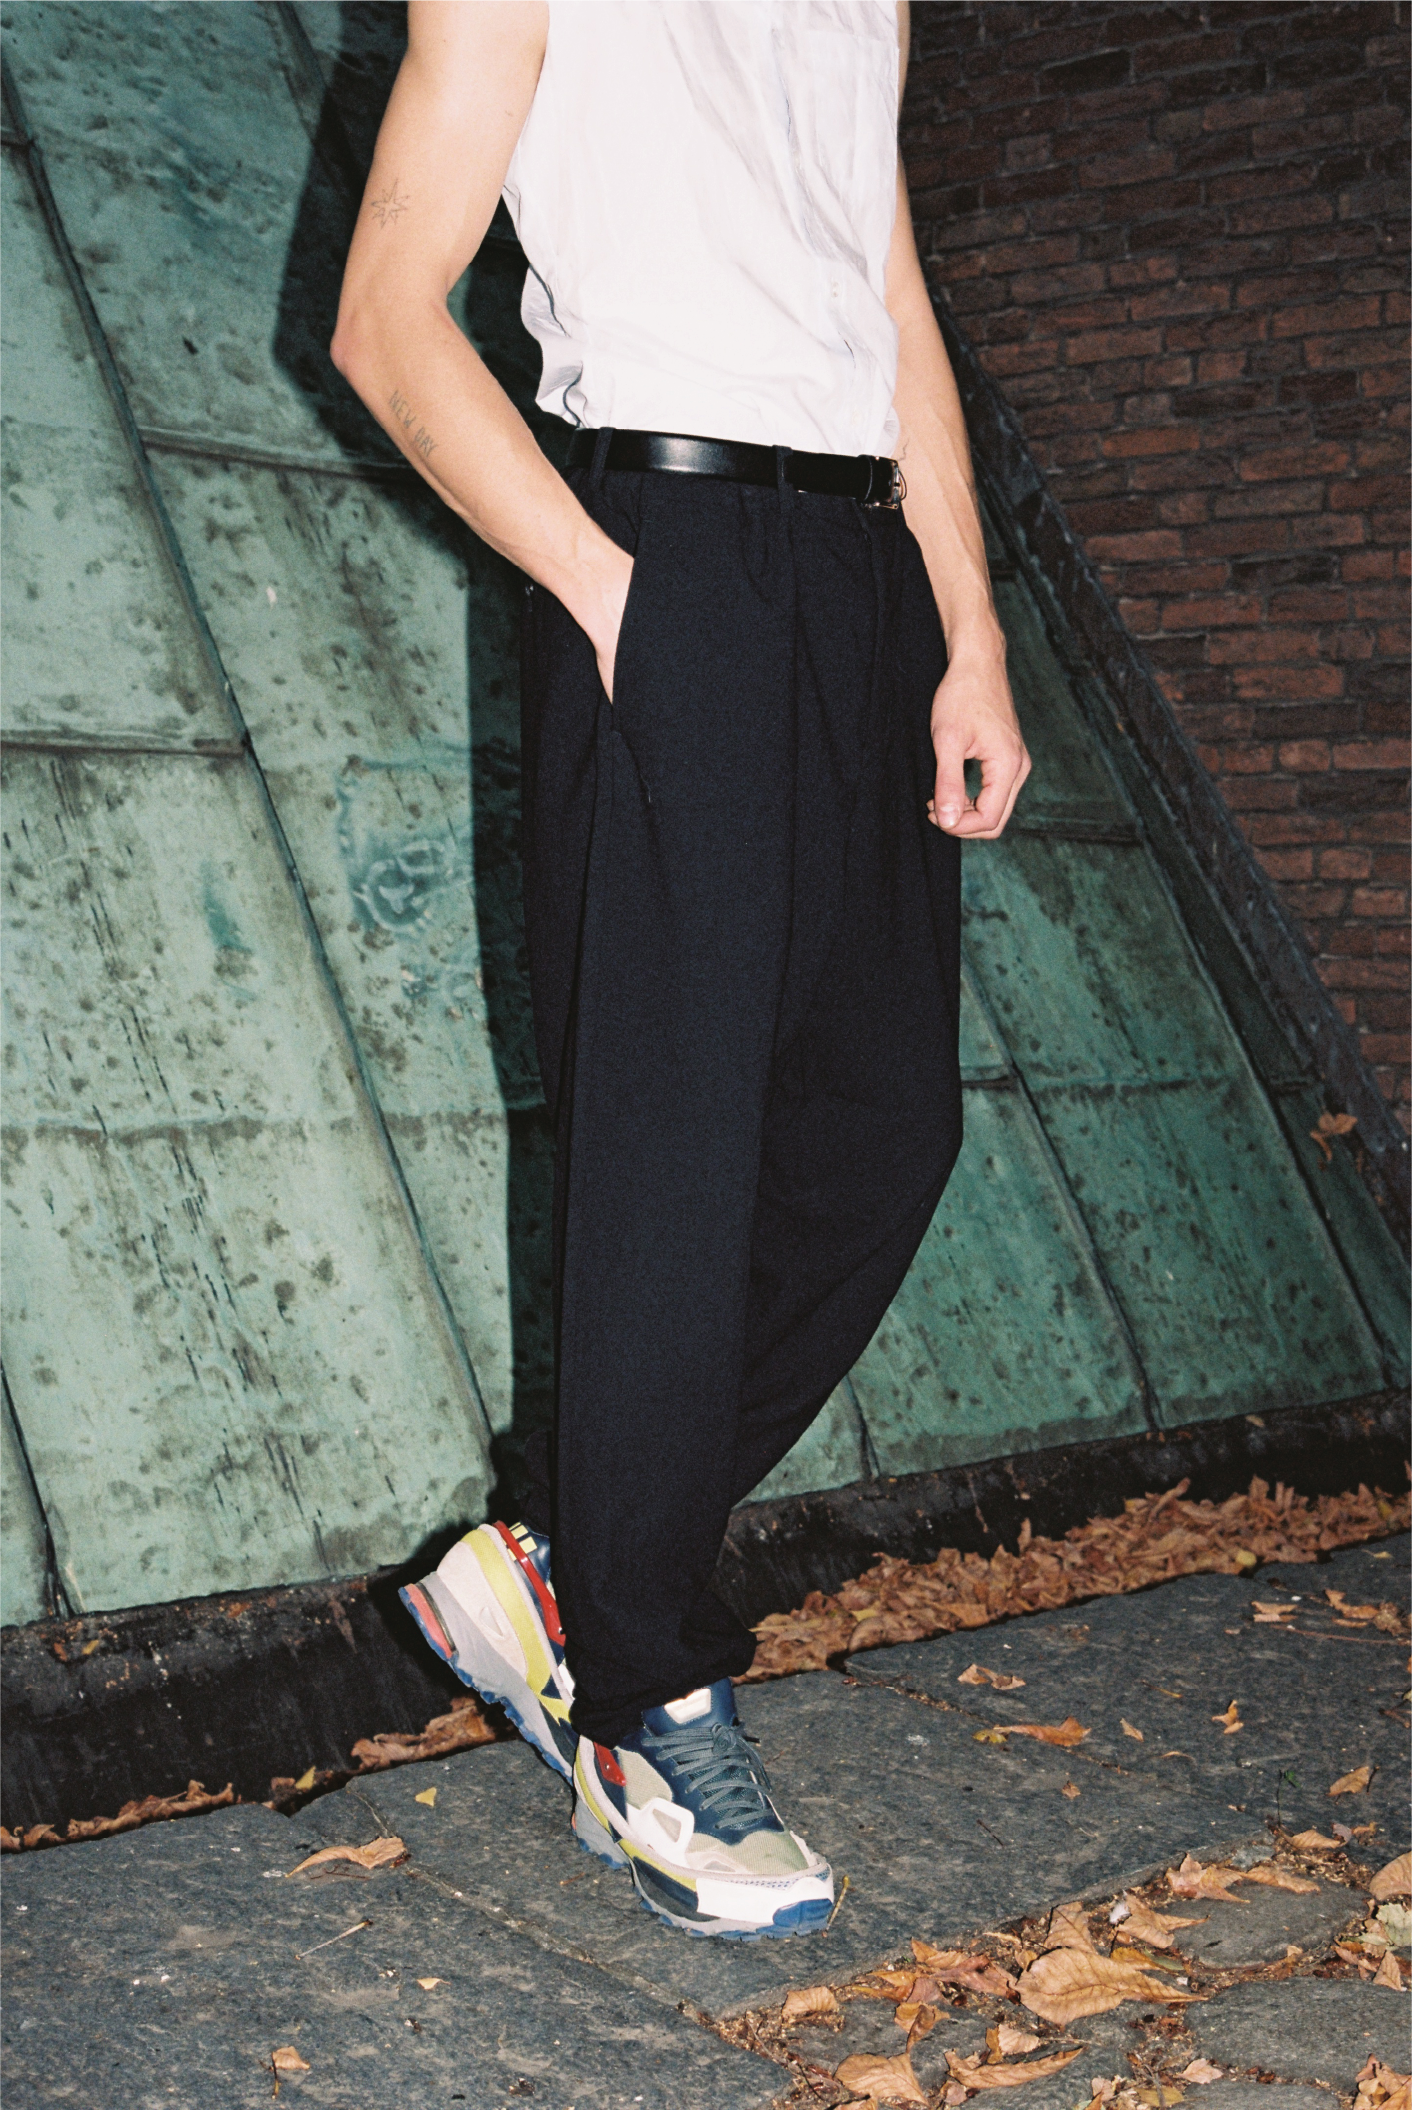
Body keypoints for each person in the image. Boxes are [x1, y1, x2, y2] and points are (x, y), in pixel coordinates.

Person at [332, 0, 1029, 1940]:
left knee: (881, 1130)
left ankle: (564, 1549)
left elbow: (888, 296)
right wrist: (612, 591)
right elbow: (386, 316)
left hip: (863, 574)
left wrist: (967, 630)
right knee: (673, 1155)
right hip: (668, 539)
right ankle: (639, 1702)